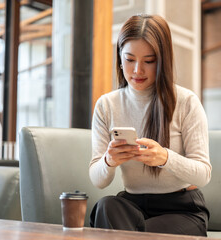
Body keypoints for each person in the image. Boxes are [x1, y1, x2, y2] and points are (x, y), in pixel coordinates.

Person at [89, 14, 211, 236]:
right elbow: (98, 180)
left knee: (138, 233)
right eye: (129, 59)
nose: (137, 70)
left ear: (162, 60)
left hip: (181, 209)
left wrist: (165, 158)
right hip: (133, 205)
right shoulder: (106, 105)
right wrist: (109, 160)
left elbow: (203, 174)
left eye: (149, 61)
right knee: (106, 206)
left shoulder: (186, 101)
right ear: (119, 57)